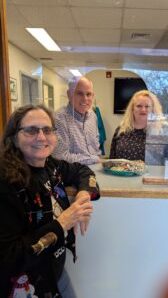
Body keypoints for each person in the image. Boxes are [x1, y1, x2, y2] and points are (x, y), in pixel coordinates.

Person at [0, 104, 100, 297]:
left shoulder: (50, 165)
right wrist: (63, 222)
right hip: (24, 286)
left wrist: (83, 195)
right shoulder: (6, 183)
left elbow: (83, 172)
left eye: (47, 130)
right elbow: (8, 257)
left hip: (54, 272)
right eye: (31, 130)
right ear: (14, 138)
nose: (41, 137)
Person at [109, 90, 168, 163]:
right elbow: (112, 159)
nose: (143, 109)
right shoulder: (121, 130)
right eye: (139, 106)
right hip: (123, 174)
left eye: (147, 106)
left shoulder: (163, 130)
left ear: (153, 109)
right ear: (132, 109)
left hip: (151, 175)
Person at [52, 77, 101, 165]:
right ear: (69, 94)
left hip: (95, 169)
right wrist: (94, 160)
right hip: (73, 174)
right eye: (79, 93)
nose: (85, 99)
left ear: (93, 96)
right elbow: (60, 156)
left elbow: (95, 147)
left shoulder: (93, 116)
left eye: (88, 94)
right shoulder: (59, 118)